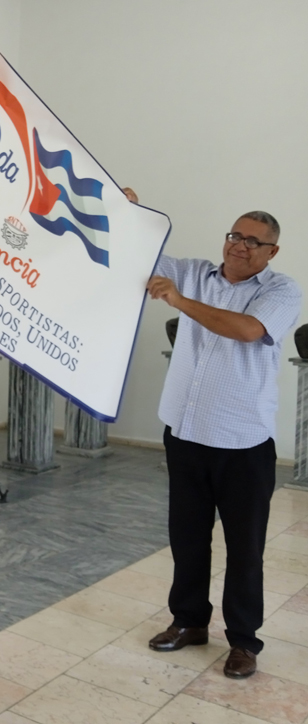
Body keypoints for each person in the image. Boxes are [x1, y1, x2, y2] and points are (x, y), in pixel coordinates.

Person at [141, 202, 301, 679]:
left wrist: (178, 301)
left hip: (242, 442)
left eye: (253, 241)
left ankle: (244, 641)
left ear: (272, 251)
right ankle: (189, 622)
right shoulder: (193, 273)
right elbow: (136, 253)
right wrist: (124, 210)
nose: (240, 246)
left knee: (244, 549)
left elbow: (247, 330)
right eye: (235, 235)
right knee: (187, 537)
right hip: (185, 432)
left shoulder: (281, 290)